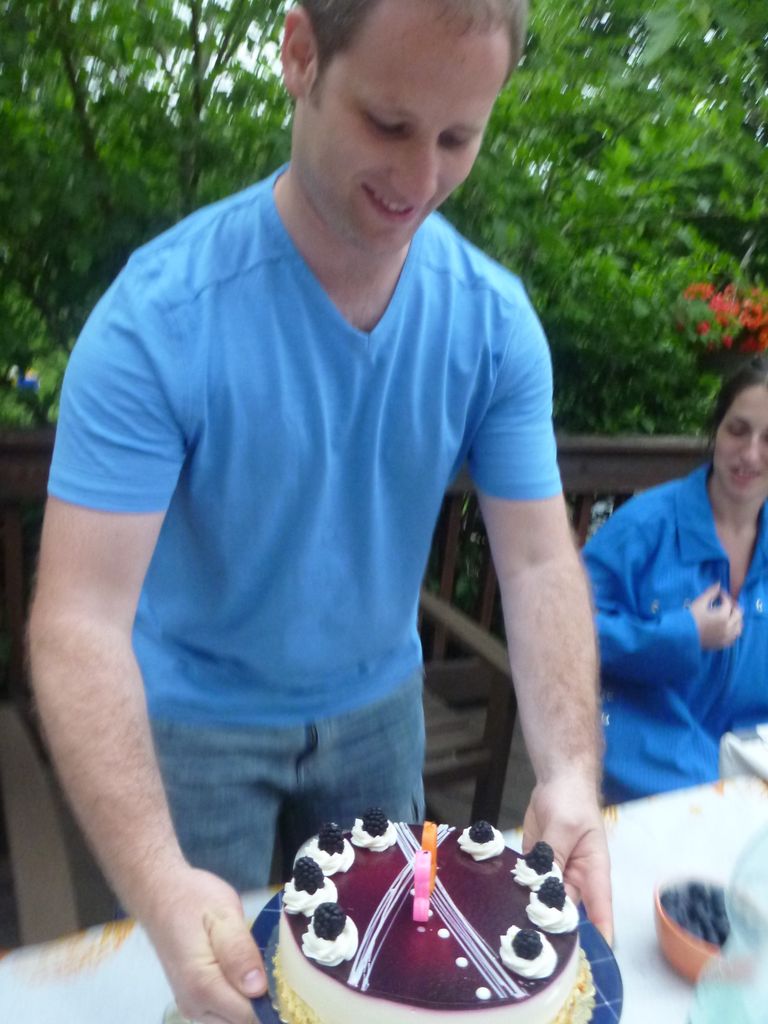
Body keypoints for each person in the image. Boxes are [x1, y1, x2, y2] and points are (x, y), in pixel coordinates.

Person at [28, 2, 611, 1022]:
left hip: (378, 710)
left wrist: (568, 771)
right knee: (210, 989)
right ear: (300, 55)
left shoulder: (492, 323)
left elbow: (536, 561)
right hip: (191, 719)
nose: (420, 177)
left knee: (386, 993)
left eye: (458, 138)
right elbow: (78, 618)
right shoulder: (158, 318)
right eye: (389, 123)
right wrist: (158, 877)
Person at [584, 357, 768, 805]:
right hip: (642, 775)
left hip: (747, 781)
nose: (750, 454)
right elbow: (562, 634)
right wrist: (683, 633)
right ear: (715, 430)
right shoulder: (643, 529)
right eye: (738, 430)